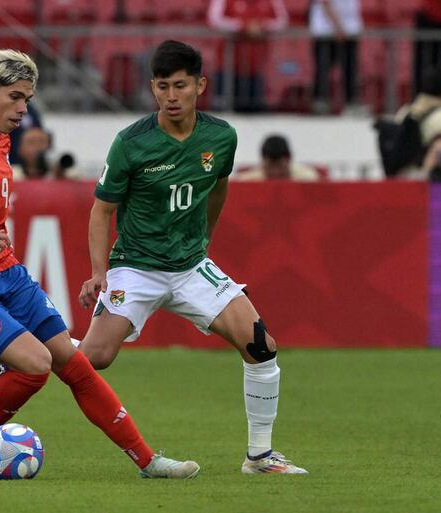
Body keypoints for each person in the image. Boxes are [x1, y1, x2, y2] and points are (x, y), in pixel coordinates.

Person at [0, 49, 198, 479]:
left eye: (28, 99)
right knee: (37, 364)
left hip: (5, 272)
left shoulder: (1, 137)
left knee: (72, 363)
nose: (24, 109)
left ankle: (148, 461)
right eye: (16, 97)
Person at [76, 40, 305, 474]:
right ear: (153, 88)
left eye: (180, 85)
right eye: (162, 86)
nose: (171, 96)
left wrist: (205, 242)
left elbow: (218, 187)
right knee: (95, 358)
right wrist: (99, 272)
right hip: (136, 266)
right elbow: (101, 210)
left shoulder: (221, 137)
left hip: (190, 267)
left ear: (200, 85)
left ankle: (259, 456)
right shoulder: (131, 143)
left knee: (261, 346)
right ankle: (25, 352)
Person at [207, 0, 289, 112]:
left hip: (256, 66)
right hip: (227, 66)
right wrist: (244, 26)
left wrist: (262, 26)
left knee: (253, 111)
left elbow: (282, 21)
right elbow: (215, 19)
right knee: (223, 110)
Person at [309, 0, 363, 115]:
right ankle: (321, 102)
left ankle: (351, 102)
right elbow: (325, 3)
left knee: (350, 68)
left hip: (349, 30)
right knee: (323, 68)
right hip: (326, 30)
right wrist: (338, 27)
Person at [413, 0, 441, 96]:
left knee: (439, 65)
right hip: (428, 16)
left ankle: (436, 95)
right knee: (421, 64)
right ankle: (419, 95)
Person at [234, 134, 320, 180]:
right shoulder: (247, 181)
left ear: (289, 160)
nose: (275, 172)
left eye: (280, 166)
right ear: (263, 162)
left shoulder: (308, 179)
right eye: (269, 167)